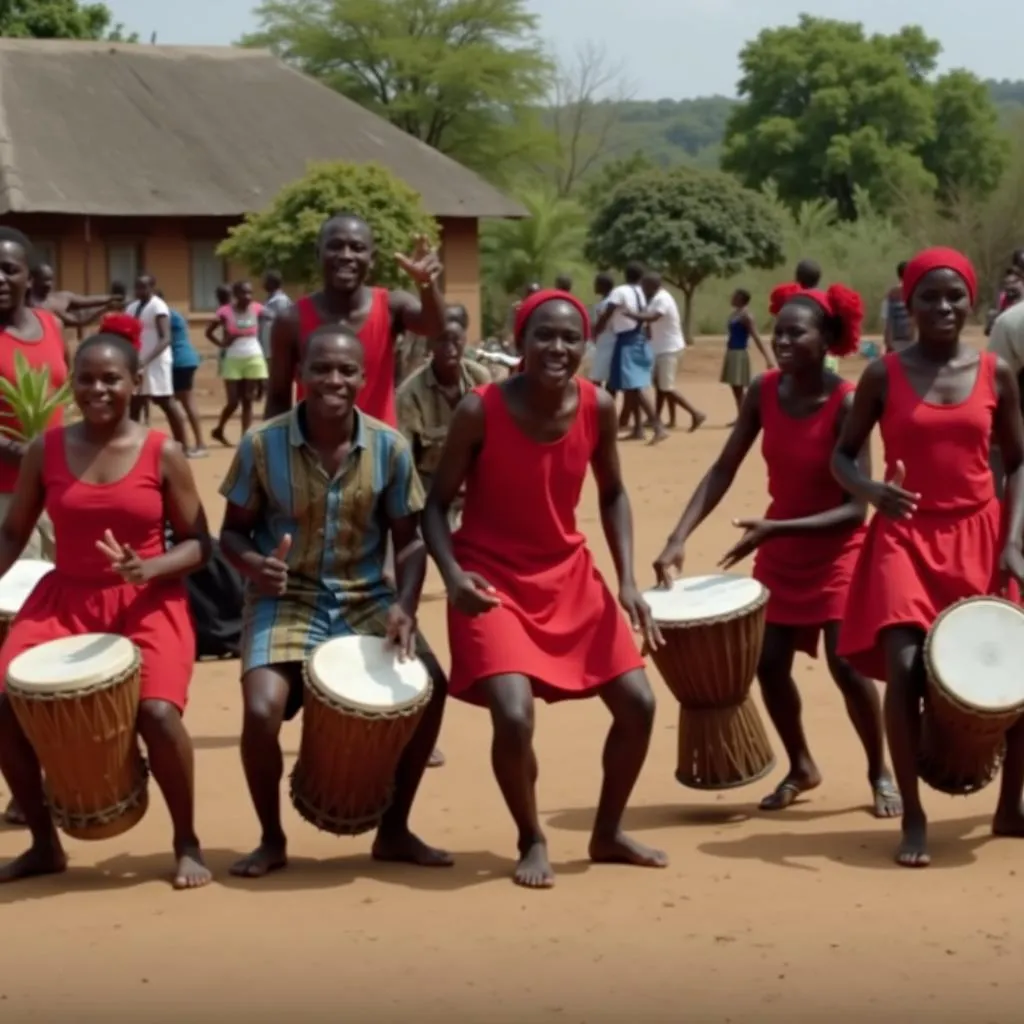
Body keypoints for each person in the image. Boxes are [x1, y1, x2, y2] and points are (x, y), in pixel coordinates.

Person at [422, 289, 667, 889]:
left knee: (639, 704)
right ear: (519, 343)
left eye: (569, 338)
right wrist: (453, 578)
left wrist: (629, 580)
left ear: (586, 345)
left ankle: (607, 831)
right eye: (544, 336)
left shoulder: (598, 406)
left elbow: (612, 492)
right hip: (490, 578)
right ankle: (531, 835)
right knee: (513, 715)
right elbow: (432, 507)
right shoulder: (479, 410)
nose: (557, 347)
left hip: (568, 574)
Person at [654, 281, 899, 817]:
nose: (782, 341)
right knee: (766, 664)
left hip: (838, 550)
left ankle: (880, 771)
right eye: (779, 331)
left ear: (827, 339)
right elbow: (723, 468)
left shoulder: (846, 402)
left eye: (796, 332)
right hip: (781, 546)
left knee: (847, 664)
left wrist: (776, 529)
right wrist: (678, 537)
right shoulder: (764, 391)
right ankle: (802, 765)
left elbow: (857, 508)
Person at [219, 324, 451, 878]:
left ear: (364, 379)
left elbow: (411, 540)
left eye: (347, 370)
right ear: (300, 374)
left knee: (435, 684)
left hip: (366, 597)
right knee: (260, 710)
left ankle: (393, 831)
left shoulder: (389, 447)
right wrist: (254, 565)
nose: (334, 379)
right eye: (321, 368)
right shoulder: (261, 445)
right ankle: (271, 839)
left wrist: (406, 605)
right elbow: (230, 534)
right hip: (287, 598)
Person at [833, 247, 1024, 868]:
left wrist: (1014, 539)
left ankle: (1008, 807)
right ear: (907, 304)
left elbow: (1018, 463)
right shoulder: (883, 375)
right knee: (907, 662)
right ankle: (913, 815)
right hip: (904, 536)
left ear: (971, 301)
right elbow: (843, 454)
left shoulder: (996, 372)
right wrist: (869, 490)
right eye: (929, 297)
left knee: (1014, 676)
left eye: (954, 297)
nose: (943, 307)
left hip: (981, 536)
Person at [0, 330, 212, 888]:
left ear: (135, 383)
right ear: (72, 385)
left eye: (111, 378)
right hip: (64, 598)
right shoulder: (46, 450)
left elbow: (199, 543)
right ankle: (45, 844)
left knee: (158, 716)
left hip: (148, 600)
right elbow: (13, 532)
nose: (98, 389)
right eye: (87, 379)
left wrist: (150, 568)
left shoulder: (160, 451)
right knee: (3, 703)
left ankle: (186, 840)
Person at [264, 213, 446, 428]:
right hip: (310, 451)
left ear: (372, 258)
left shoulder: (391, 307)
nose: (346, 255)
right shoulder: (291, 320)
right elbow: (278, 398)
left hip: (377, 451)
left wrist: (427, 285)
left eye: (357, 248)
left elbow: (434, 326)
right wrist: (269, 452)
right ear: (318, 254)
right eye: (335, 246)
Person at [593, 262, 666, 444]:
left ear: (625, 275)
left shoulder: (620, 291)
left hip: (626, 340)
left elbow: (608, 312)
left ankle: (657, 426)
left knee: (633, 387)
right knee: (629, 387)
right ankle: (639, 429)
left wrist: (596, 331)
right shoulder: (642, 292)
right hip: (638, 338)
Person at [125, 275, 188, 447]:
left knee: (165, 401)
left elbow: (166, 338)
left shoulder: (158, 306)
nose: (139, 291)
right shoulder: (131, 307)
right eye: (137, 287)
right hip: (137, 361)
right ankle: (133, 446)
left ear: (152, 287)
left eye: (144, 287)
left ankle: (182, 444)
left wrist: (146, 360)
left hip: (157, 360)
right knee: (135, 402)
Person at [637, 271, 705, 432]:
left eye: (645, 286)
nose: (643, 289)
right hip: (660, 347)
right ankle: (657, 417)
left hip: (670, 348)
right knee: (660, 386)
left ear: (653, 285)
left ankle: (695, 413)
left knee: (666, 387)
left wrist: (631, 315)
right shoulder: (655, 298)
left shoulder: (662, 299)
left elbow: (653, 317)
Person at [208, 281, 268, 445]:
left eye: (250, 293)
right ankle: (219, 429)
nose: (247, 297)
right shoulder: (225, 312)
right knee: (233, 401)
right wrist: (222, 344)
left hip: (253, 355)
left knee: (248, 400)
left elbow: (274, 316)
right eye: (243, 293)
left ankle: (245, 438)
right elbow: (209, 332)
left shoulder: (257, 308)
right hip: (233, 358)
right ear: (235, 294)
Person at [160, 292, 206, 457]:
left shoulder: (165, 316)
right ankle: (191, 443)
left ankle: (195, 444)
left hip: (180, 361)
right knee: (182, 402)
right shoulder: (173, 314)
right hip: (185, 359)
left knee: (182, 402)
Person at [723, 289, 774, 418]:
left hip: (739, 353)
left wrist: (768, 358)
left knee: (738, 387)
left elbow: (756, 336)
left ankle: (745, 416)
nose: (732, 298)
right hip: (732, 352)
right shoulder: (735, 314)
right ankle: (742, 415)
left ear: (741, 299)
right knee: (735, 387)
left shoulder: (746, 316)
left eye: (735, 296)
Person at [27, 263, 116, 329]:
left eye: (51, 279)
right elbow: (76, 320)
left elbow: (87, 301)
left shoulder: (62, 297)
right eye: (45, 279)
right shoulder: (27, 303)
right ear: (33, 280)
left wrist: (109, 301)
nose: (49, 284)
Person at [588, 272, 616, 388]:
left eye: (597, 284)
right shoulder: (607, 302)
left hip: (606, 342)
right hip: (604, 342)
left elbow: (601, 324)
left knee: (597, 378)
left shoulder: (607, 303)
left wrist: (593, 333)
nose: (594, 286)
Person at [258, 270, 290, 362]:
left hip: (274, 349)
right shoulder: (270, 300)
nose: (262, 285)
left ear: (271, 283)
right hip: (268, 349)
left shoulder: (280, 301)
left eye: (265, 282)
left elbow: (282, 324)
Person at [883, 262, 915, 353]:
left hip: (895, 341)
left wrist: (888, 342)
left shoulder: (892, 294)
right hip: (912, 341)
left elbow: (888, 320)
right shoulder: (916, 292)